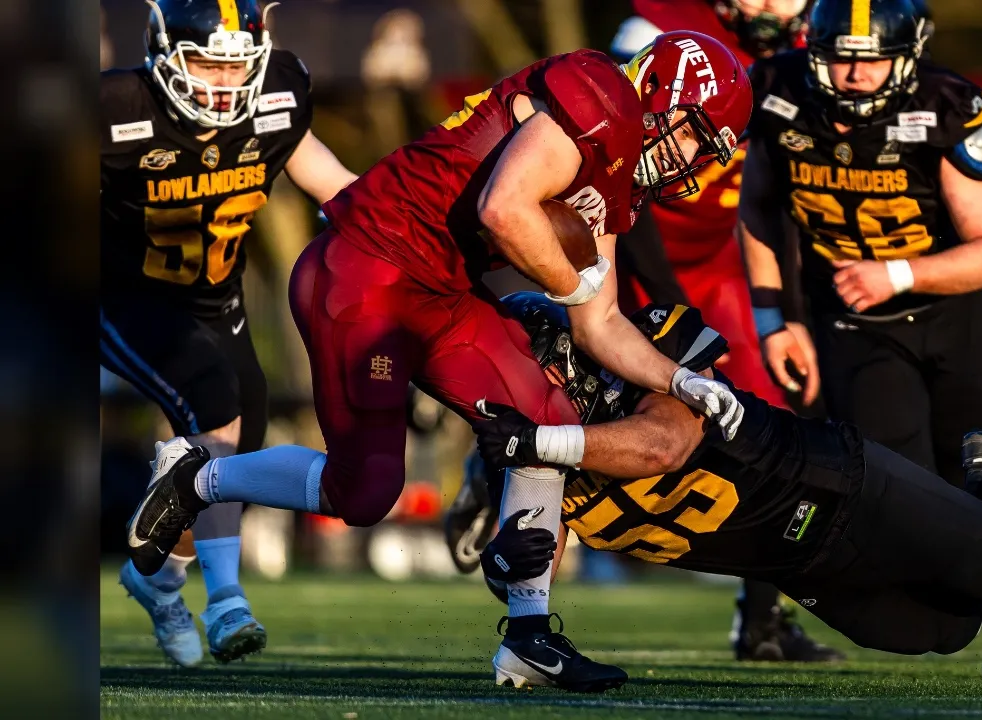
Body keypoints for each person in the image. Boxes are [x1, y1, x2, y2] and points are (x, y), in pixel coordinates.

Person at [123, 30, 754, 692]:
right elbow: (504, 209)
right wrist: (571, 285)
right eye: (691, 134)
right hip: (366, 267)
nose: (688, 159)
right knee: (363, 492)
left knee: (545, 420)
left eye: (703, 151)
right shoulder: (599, 97)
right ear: (659, 93)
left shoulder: (617, 173)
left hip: (442, 292)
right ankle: (199, 479)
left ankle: (529, 639)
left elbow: (602, 324)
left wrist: (676, 377)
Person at [468, 293, 982, 686]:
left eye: (544, 372)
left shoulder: (650, 355)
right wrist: (510, 567)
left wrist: (535, 443)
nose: (541, 391)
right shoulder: (532, 457)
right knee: (941, 631)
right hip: (796, 563)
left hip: (840, 486)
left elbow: (662, 445)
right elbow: (531, 562)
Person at [734, 0, 982, 675]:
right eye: (842, 59)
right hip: (853, 322)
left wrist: (899, 272)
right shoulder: (778, 91)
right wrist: (774, 320)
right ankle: (965, 603)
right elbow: (758, 210)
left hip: (947, 312)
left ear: (906, 56)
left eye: (870, 59)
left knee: (976, 465)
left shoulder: (942, 105)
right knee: (900, 480)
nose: (854, 76)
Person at [101, 0, 356, 667]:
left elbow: (340, 191)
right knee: (213, 401)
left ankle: (157, 581)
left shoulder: (277, 97)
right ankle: (227, 602)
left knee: (231, 457)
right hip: (124, 296)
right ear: (165, 56)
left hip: (218, 299)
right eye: (207, 63)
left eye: (235, 66)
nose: (222, 82)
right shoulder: (113, 111)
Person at [615, 0, 843, 664]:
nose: (768, 6)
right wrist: (668, 302)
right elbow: (621, 170)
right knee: (594, 406)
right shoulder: (659, 31)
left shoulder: (829, 41)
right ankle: (493, 474)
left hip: (727, 257)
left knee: (776, 419)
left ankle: (762, 613)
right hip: (626, 242)